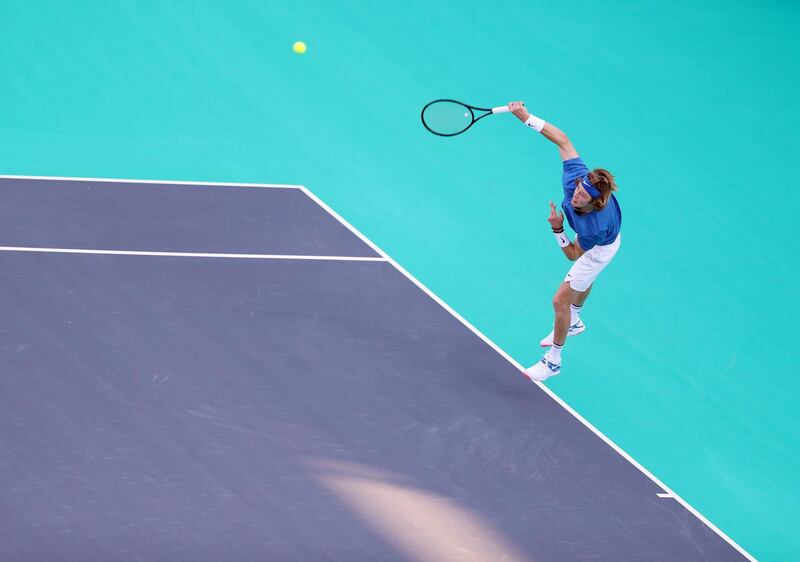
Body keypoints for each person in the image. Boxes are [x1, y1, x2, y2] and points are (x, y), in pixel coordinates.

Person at [507, 101, 622, 382]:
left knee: (560, 302)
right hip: (604, 240)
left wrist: (558, 229)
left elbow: (572, 254)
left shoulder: (594, 225)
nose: (575, 196)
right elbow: (563, 140)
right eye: (578, 190)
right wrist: (527, 118)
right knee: (583, 280)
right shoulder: (576, 180)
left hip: (601, 247)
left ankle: (552, 362)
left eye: (582, 197)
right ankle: (577, 320)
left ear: (595, 204)